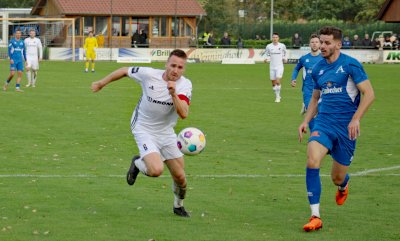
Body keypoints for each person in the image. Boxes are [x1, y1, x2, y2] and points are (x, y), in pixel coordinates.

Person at [91, 49, 193, 218]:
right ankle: (138, 162)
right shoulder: (149, 74)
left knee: (181, 178)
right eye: (173, 65)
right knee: (155, 170)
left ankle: (178, 206)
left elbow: (183, 113)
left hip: (166, 132)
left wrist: (173, 93)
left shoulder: (185, 85)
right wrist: (102, 83)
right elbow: (124, 71)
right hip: (143, 128)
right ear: (166, 64)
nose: (176, 70)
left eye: (180, 67)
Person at [298, 26, 375, 232]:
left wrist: (356, 119)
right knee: (312, 160)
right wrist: (306, 121)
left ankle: (343, 184)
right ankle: (315, 216)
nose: (322, 46)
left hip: (346, 129)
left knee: (337, 178)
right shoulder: (318, 69)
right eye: (321, 42)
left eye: (327, 43)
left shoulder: (351, 65)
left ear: (338, 44)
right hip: (323, 123)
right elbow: (315, 98)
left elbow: (369, 94)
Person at [291, 34, 323, 131]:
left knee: (320, 112)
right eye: (312, 42)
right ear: (309, 44)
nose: (314, 44)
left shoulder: (324, 58)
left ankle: (306, 107)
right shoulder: (304, 58)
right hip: (308, 90)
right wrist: (293, 78)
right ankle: (314, 134)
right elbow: (296, 69)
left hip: (322, 90)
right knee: (312, 112)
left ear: (320, 44)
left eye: (316, 42)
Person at [264, 32, 287, 103]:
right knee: (273, 84)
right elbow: (267, 54)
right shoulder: (268, 46)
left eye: (276, 37)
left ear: (278, 38)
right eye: (273, 37)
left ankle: (277, 97)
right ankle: (277, 94)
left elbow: (285, 53)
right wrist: (266, 59)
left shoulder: (282, 46)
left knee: (277, 81)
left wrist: (285, 59)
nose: (275, 39)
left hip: (280, 66)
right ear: (272, 38)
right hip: (272, 67)